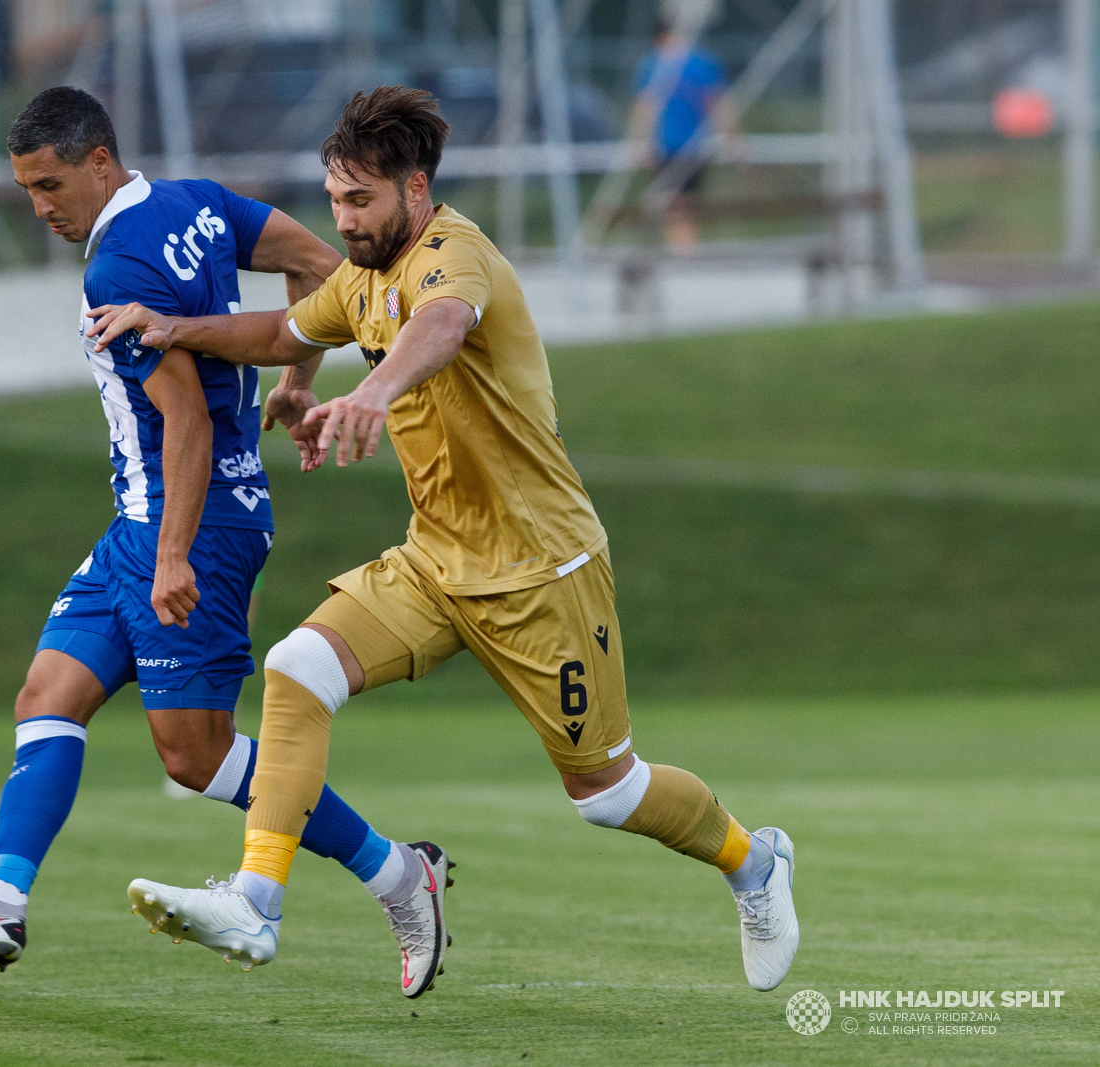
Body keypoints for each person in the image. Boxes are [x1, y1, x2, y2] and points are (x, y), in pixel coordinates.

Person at [87, 85, 799, 994]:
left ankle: (755, 862)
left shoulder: (451, 258)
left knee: (609, 794)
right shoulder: (363, 274)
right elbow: (279, 329)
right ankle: (257, 901)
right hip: (435, 560)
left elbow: (443, 326)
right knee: (298, 669)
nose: (343, 221)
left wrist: (372, 393)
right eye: (335, 200)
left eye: (361, 202)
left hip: (543, 571)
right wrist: (177, 327)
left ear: (414, 191)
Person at [0, 88, 449, 994]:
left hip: (195, 527)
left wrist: (176, 551)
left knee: (198, 754)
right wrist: (294, 384)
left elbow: (183, 422)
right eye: (26, 189)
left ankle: (395, 871)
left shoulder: (120, 270)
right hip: (140, 525)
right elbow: (317, 265)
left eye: (50, 183)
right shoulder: (197, 203)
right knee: (47, 694)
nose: (41, 206)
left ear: (99, 161)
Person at [627, 13, 743, 251]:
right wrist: (734, 139)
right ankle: (684, 249)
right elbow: (719, 105)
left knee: (674, 204)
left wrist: (639, 143)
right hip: (695, 146)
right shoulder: (702, 63)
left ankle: (682, 252)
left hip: (665, 145)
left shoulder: (653, 64)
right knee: (685, 203)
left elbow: (644, 108)